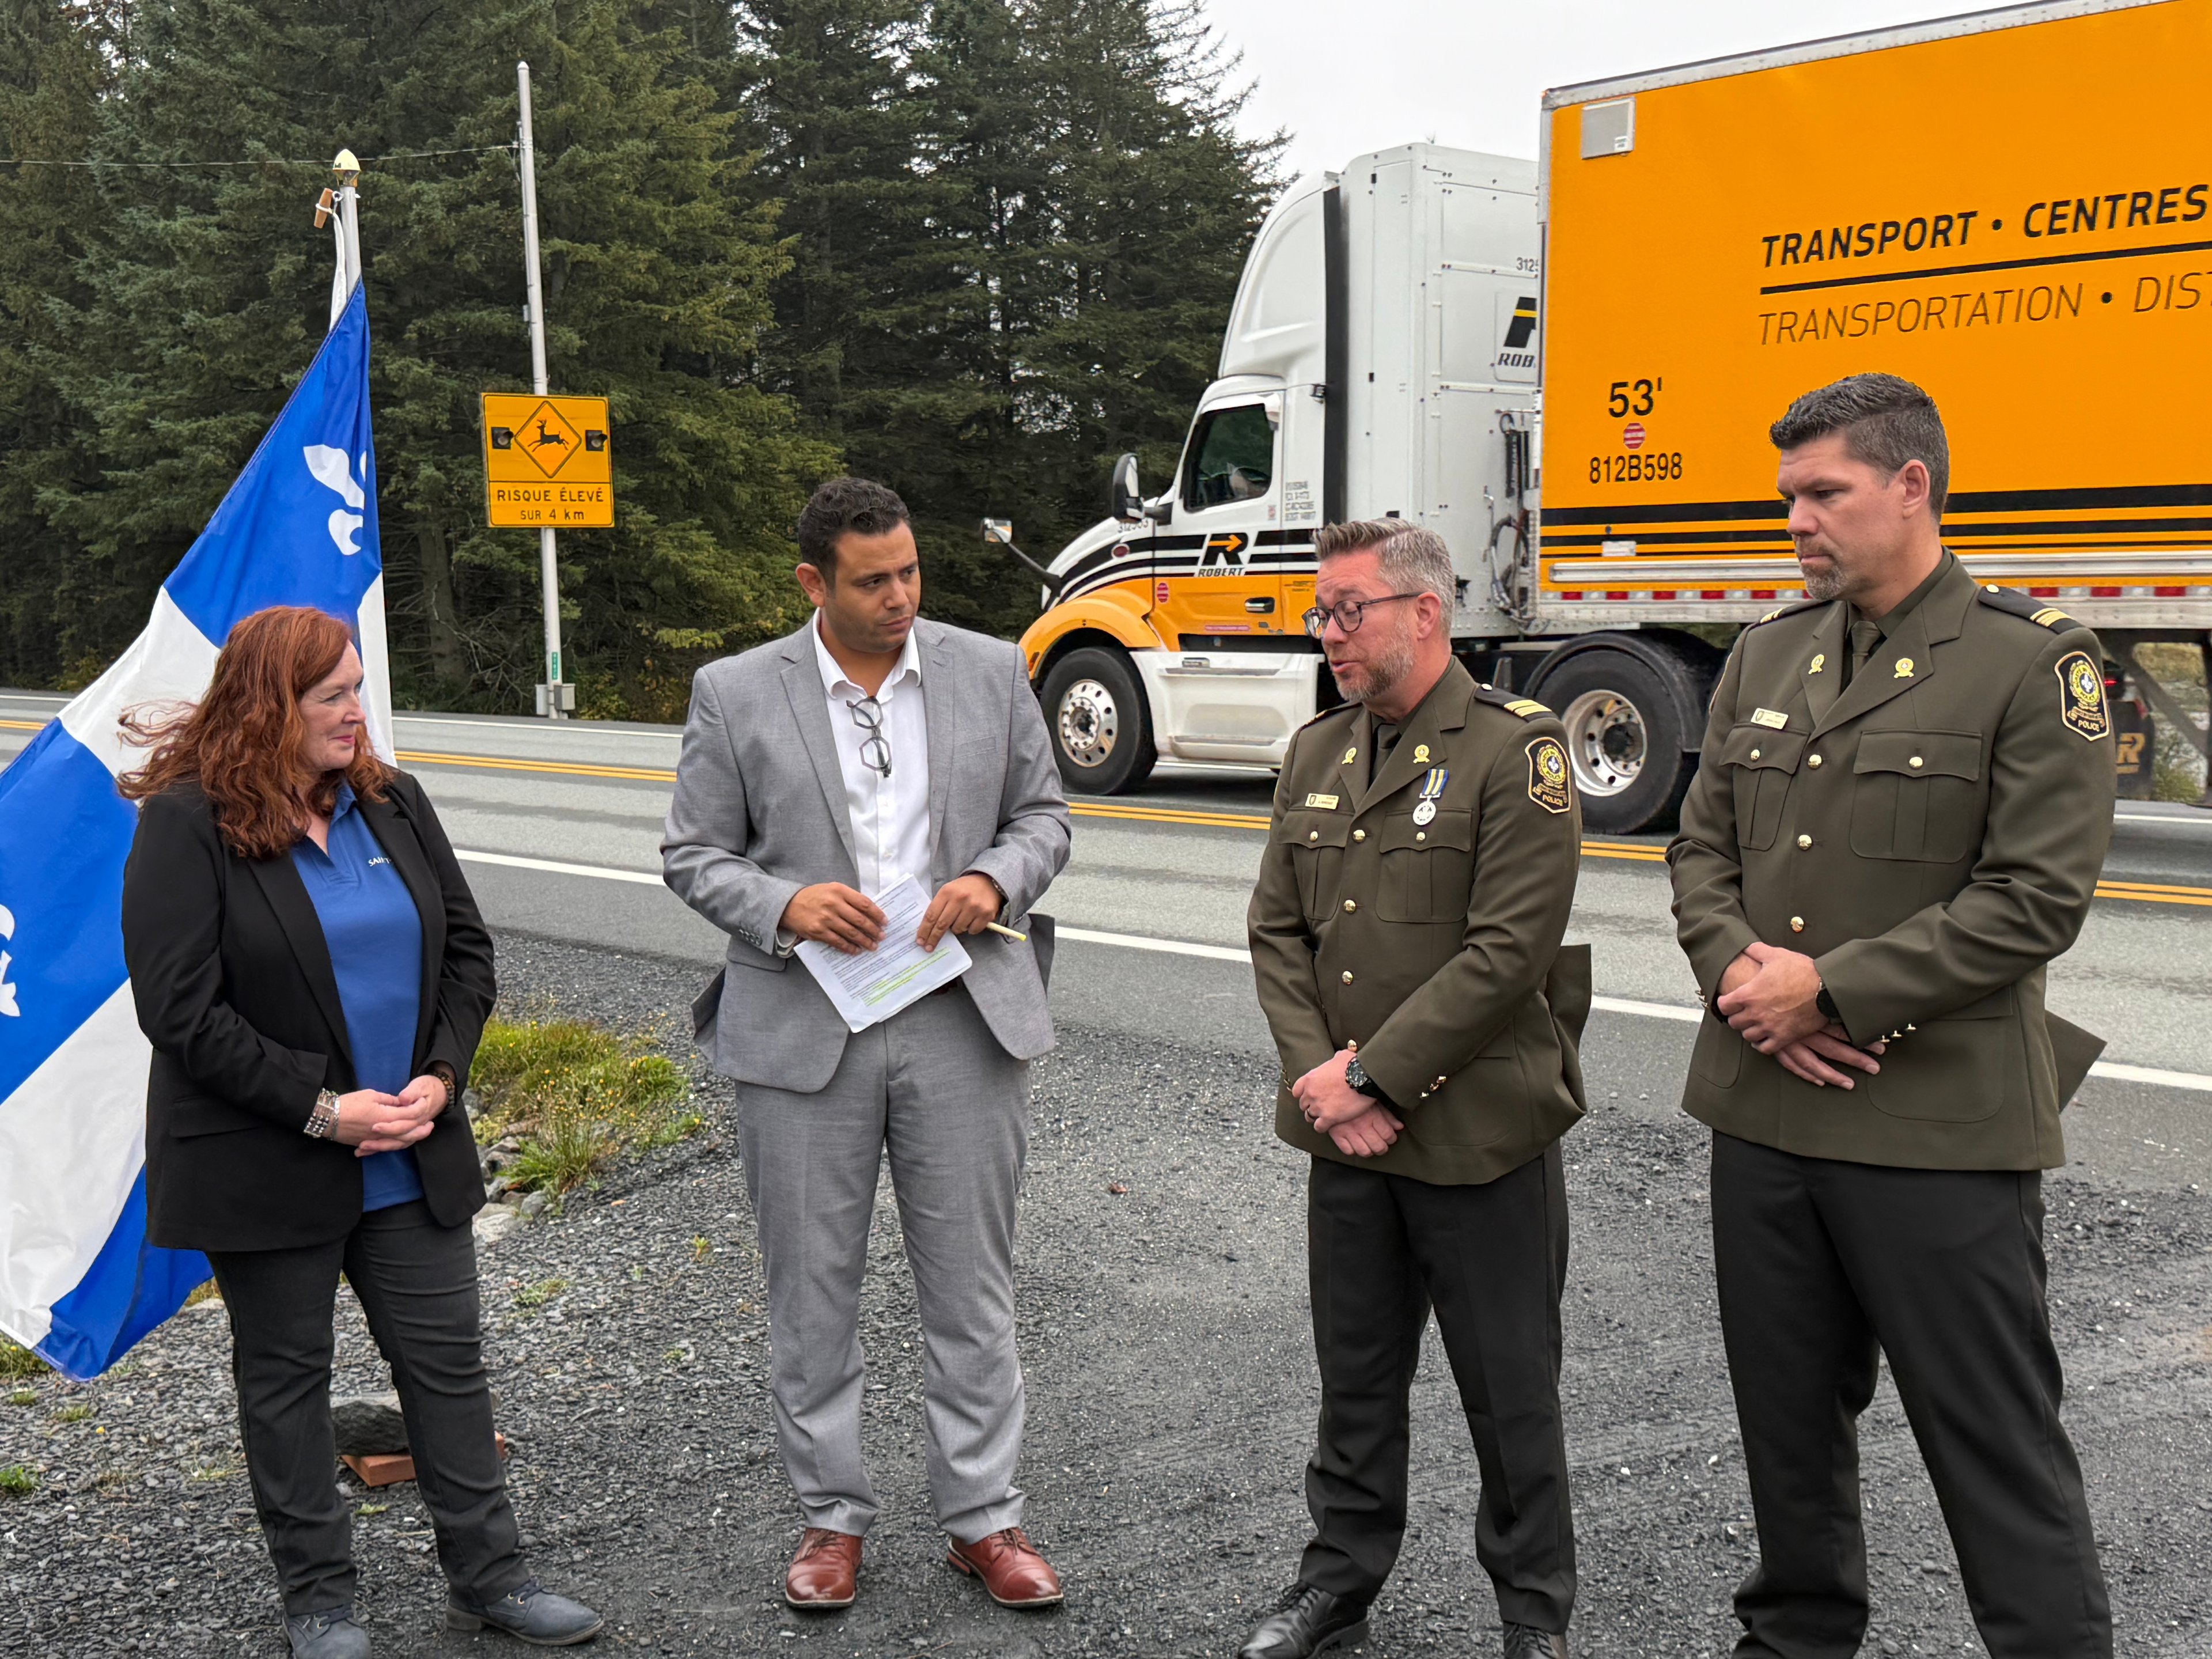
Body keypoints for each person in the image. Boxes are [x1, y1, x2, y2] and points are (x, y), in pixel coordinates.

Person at [1668, 373, 2115, 1659]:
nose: (1797, 520)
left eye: (1825, 493)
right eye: (1788, 497)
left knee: (1991, 1435)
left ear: (1911, 485)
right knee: (1786, 1424)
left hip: (1935, 1128)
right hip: (1764, 1107)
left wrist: (1836, 989)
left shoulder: (2033, 666)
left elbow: (2034, 900)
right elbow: (1701, 857)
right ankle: (1797, 1636)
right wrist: (1752, 981)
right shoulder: (1766, 651)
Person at [118, 607, 601, 1658]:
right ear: (267, 706)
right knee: (287, 1382)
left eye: (357, 686)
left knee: (449, 1370)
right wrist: (322, 1108)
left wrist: (441, 1076)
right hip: (269, 1158)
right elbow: (180, 1011)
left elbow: (468, 953)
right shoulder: (187, 821)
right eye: (332, 693)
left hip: (411, 1152)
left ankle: (490, 1578)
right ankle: (321, 1603)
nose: (356, 711)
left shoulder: (392, 800)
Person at [661, 477, 1073, 1612]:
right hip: (804, 1026)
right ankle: (830, 1520)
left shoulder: (991, 670)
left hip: (960, 1017)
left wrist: (994, 878)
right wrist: (785, 907)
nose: (900, 596)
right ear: (814, 583)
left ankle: (984, 1520)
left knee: (973, 1289)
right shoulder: (736, 692)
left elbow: (1047, 818)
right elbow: (693, 855)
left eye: (910, 573)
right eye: (872, 580)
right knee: (811, 1293)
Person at [1241, 518, 1591, 1659]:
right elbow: (1277, 933)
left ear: (1424, 613)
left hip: (1480, 1136)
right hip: (1346, 1136)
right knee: (1355, 1380)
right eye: (1321, 615)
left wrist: (1373, 1074)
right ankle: (1338, 1581)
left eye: (1349, 611)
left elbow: (1506, 953)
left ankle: (1533, 1613)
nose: (1329, 634)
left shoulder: (1514, 752)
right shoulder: (1317, 751)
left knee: (1510, 1393)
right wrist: (1320, 1081)